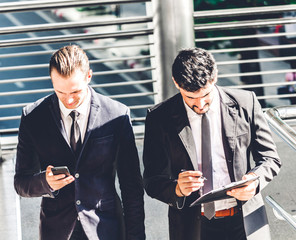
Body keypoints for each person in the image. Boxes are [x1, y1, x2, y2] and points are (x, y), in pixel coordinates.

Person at [143, 48, 281, 240]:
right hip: (192, 227)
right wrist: (177, 189)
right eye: (190, 98)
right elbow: (152, 180)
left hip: (245, 222)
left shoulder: (245, 103)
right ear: (176, 83)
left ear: (215, 77)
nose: (199, 105)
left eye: (205, 95)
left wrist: (255, 181)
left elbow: (270, 159)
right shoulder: (159, 118)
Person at [14, 45, 145, 240]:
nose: (68, 100)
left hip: (105, 227)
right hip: (56, 230)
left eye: (75, 92)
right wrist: (45, 182)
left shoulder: (117, 115)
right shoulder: (33, 117)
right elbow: (21, 183)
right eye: (60, 92)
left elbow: (132, 187)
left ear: (89, 76)